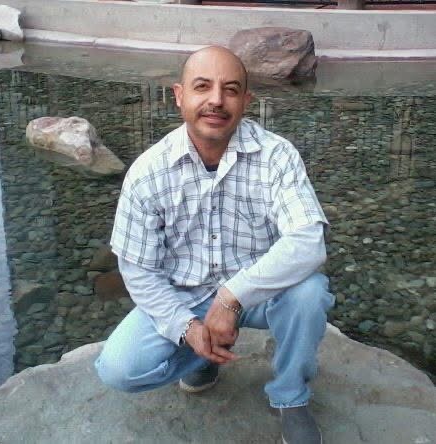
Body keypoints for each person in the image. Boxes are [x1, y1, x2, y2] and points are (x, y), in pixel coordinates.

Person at [95, 46, 334, 444]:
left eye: (231, 89)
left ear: (246, 100)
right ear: (179, 95)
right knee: (118, 369)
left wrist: (231, 298)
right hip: (185, 294)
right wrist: (186, 327)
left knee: (309, 294)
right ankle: (200, 356)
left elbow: (309, 242)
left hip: (260, 292)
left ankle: (290, 394)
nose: (217, 100)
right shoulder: (148, 173)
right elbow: (138, 271)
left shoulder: (277, 156)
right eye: (202, 86)